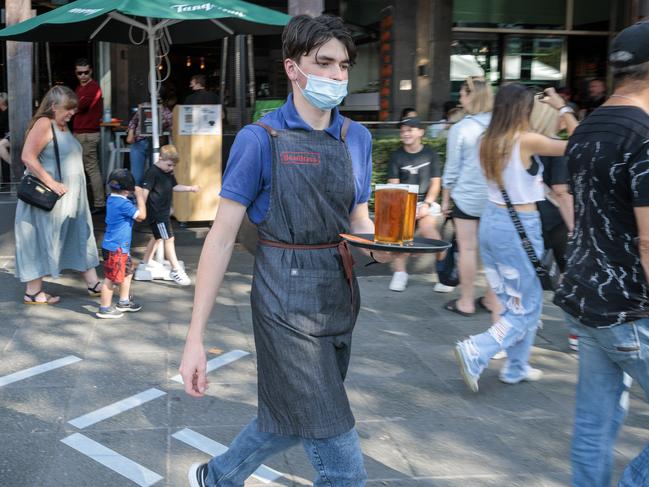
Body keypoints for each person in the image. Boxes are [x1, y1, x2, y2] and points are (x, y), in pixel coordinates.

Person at [180, 14, 381, 487]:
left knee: (295, 417)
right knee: (343, 466)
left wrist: (386, 248)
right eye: (324, 63)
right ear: (293, 68)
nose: (336, 76)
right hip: (282, 303)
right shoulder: (259, 139)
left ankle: (216, 477)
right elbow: (221, 237)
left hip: (339, 295)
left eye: (344, 66)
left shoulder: (358, 138)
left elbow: (359, 220)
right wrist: (195, 338)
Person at [553, 22, 649, 487]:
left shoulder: (589, 126)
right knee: (597, 421)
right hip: (631, 308)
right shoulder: (644, 134)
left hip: (587, 299)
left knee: (594, 423)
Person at [454, 84, 578, 393]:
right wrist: (562, 107)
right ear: (523, 109)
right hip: (519, 226)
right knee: (527, 307)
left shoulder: (487, 139)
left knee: (515, 302)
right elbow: (579, 141)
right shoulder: (526, 140)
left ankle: (516, 366)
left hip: (492, 221)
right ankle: (477, 349)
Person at [14, 85, 103, 304]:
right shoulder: (45, 124)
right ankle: (33, 292)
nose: (72, 113)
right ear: (53, 107)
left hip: (71, 200)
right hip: (50, 199)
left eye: (73, 109)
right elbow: (27, 156)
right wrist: (51, 182)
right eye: (68, 109)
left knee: (79, 235)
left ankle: (92, 283)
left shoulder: (61, 126)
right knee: (41, 240)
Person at [441, 76, 499, 317]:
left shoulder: (461, 128)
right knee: (493, 252)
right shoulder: (499, 126)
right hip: (496, 198)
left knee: (467, 249)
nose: (460, 98)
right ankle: (491, 300)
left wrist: (445, 199)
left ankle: (466, 301)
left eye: (463, 94)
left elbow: (452, 169)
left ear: (470, 96)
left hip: (466, 197)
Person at [529, 98, 578, 351]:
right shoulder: (555, 147)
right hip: (555, 220)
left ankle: (529, 321)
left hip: (529, 218)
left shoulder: (525, 141)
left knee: (531, 274)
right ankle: (576, 332)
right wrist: (573, 228)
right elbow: (562, 192)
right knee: (570, 276)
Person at [387, 116, 443, 292]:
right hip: (404, 201)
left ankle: (445, 274)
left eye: (409, 130)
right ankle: (400, 273)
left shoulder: (430, 153)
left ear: (420, 132)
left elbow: (436, 183)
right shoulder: (396, 156)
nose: (405, 134)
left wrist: (426, 204)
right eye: (402, 131)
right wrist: (404, 206)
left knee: (429, 232)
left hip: (427, 201)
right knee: (399, 232)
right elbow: (393, 184)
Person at [140, 145, 199, 286]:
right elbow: (144, 192)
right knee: (169, 239)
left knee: (158, 237)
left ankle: (145, 261)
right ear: (160, 158)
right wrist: (141, 209)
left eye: (172, 166)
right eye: (169, 165)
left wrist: (190, 188)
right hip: (157, 214)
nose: (171, 168)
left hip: (163, 212)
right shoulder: (152, 173)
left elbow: (174, 186)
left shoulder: (167, 173)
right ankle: (175, 270)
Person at [96, 169, 147, 319]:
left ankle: (123, 301)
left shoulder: (113, 199)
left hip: (120, 247)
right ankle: (104, 308)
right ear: (127, 190)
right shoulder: (123, 204)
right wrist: (140, 196)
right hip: (116, 249)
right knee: (110, 278)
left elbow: (134, 214)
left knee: (128, 272)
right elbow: (142, 216)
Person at [72, 58, 105, 212]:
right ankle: (94, 202)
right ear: (76, 73)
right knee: (84, 168)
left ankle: (99, 203)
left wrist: (71, 106)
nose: (83, 75)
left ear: (91, 71)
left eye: (86, 72)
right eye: (80, 73)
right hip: (82, 133)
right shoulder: (81, 88)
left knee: (90, 168)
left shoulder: (92, 88)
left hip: (87, 133)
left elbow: (79, 106)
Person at [125, 101, 173, 185]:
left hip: (153, 143)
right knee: (138, 176)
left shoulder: (166, 111)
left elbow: (172, 127)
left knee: (151, 175)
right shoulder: (146, 106)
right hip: (141, 142)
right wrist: (131, 133)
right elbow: (134, 120)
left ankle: (147, 196)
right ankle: (137, 196)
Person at [0, 93, 10, 189]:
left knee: (0, 145)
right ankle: (5, 179)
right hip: (5, 137)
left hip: (11, 136)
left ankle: (13, 164)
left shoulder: (8, 111)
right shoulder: (3, 112)